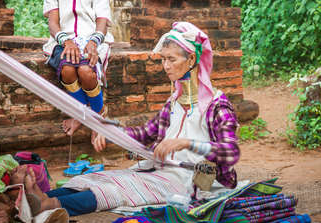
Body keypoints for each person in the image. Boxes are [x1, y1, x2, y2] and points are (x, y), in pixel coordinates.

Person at [41, 22, 241, 216]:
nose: (165, 66)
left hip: (191, 180)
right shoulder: (174, 103)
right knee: (98, 179)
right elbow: (146, 133)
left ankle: (47, 205)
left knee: (116, 191)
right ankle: (38, 198)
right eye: (163, 59)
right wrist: (112, 133)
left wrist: (185, 143)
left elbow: (230, 152)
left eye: (171, 59)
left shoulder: (217, 107)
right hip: (160, 171)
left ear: (191, 60)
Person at [42, 0, 113, 145]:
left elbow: (102, 21)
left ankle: (99, 117)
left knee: (85, 71)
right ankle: (85, 113)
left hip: (94, 39)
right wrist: (66, 42)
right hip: (63, 41)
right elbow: (54, 23)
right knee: (67, 72)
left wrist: (93, 42)